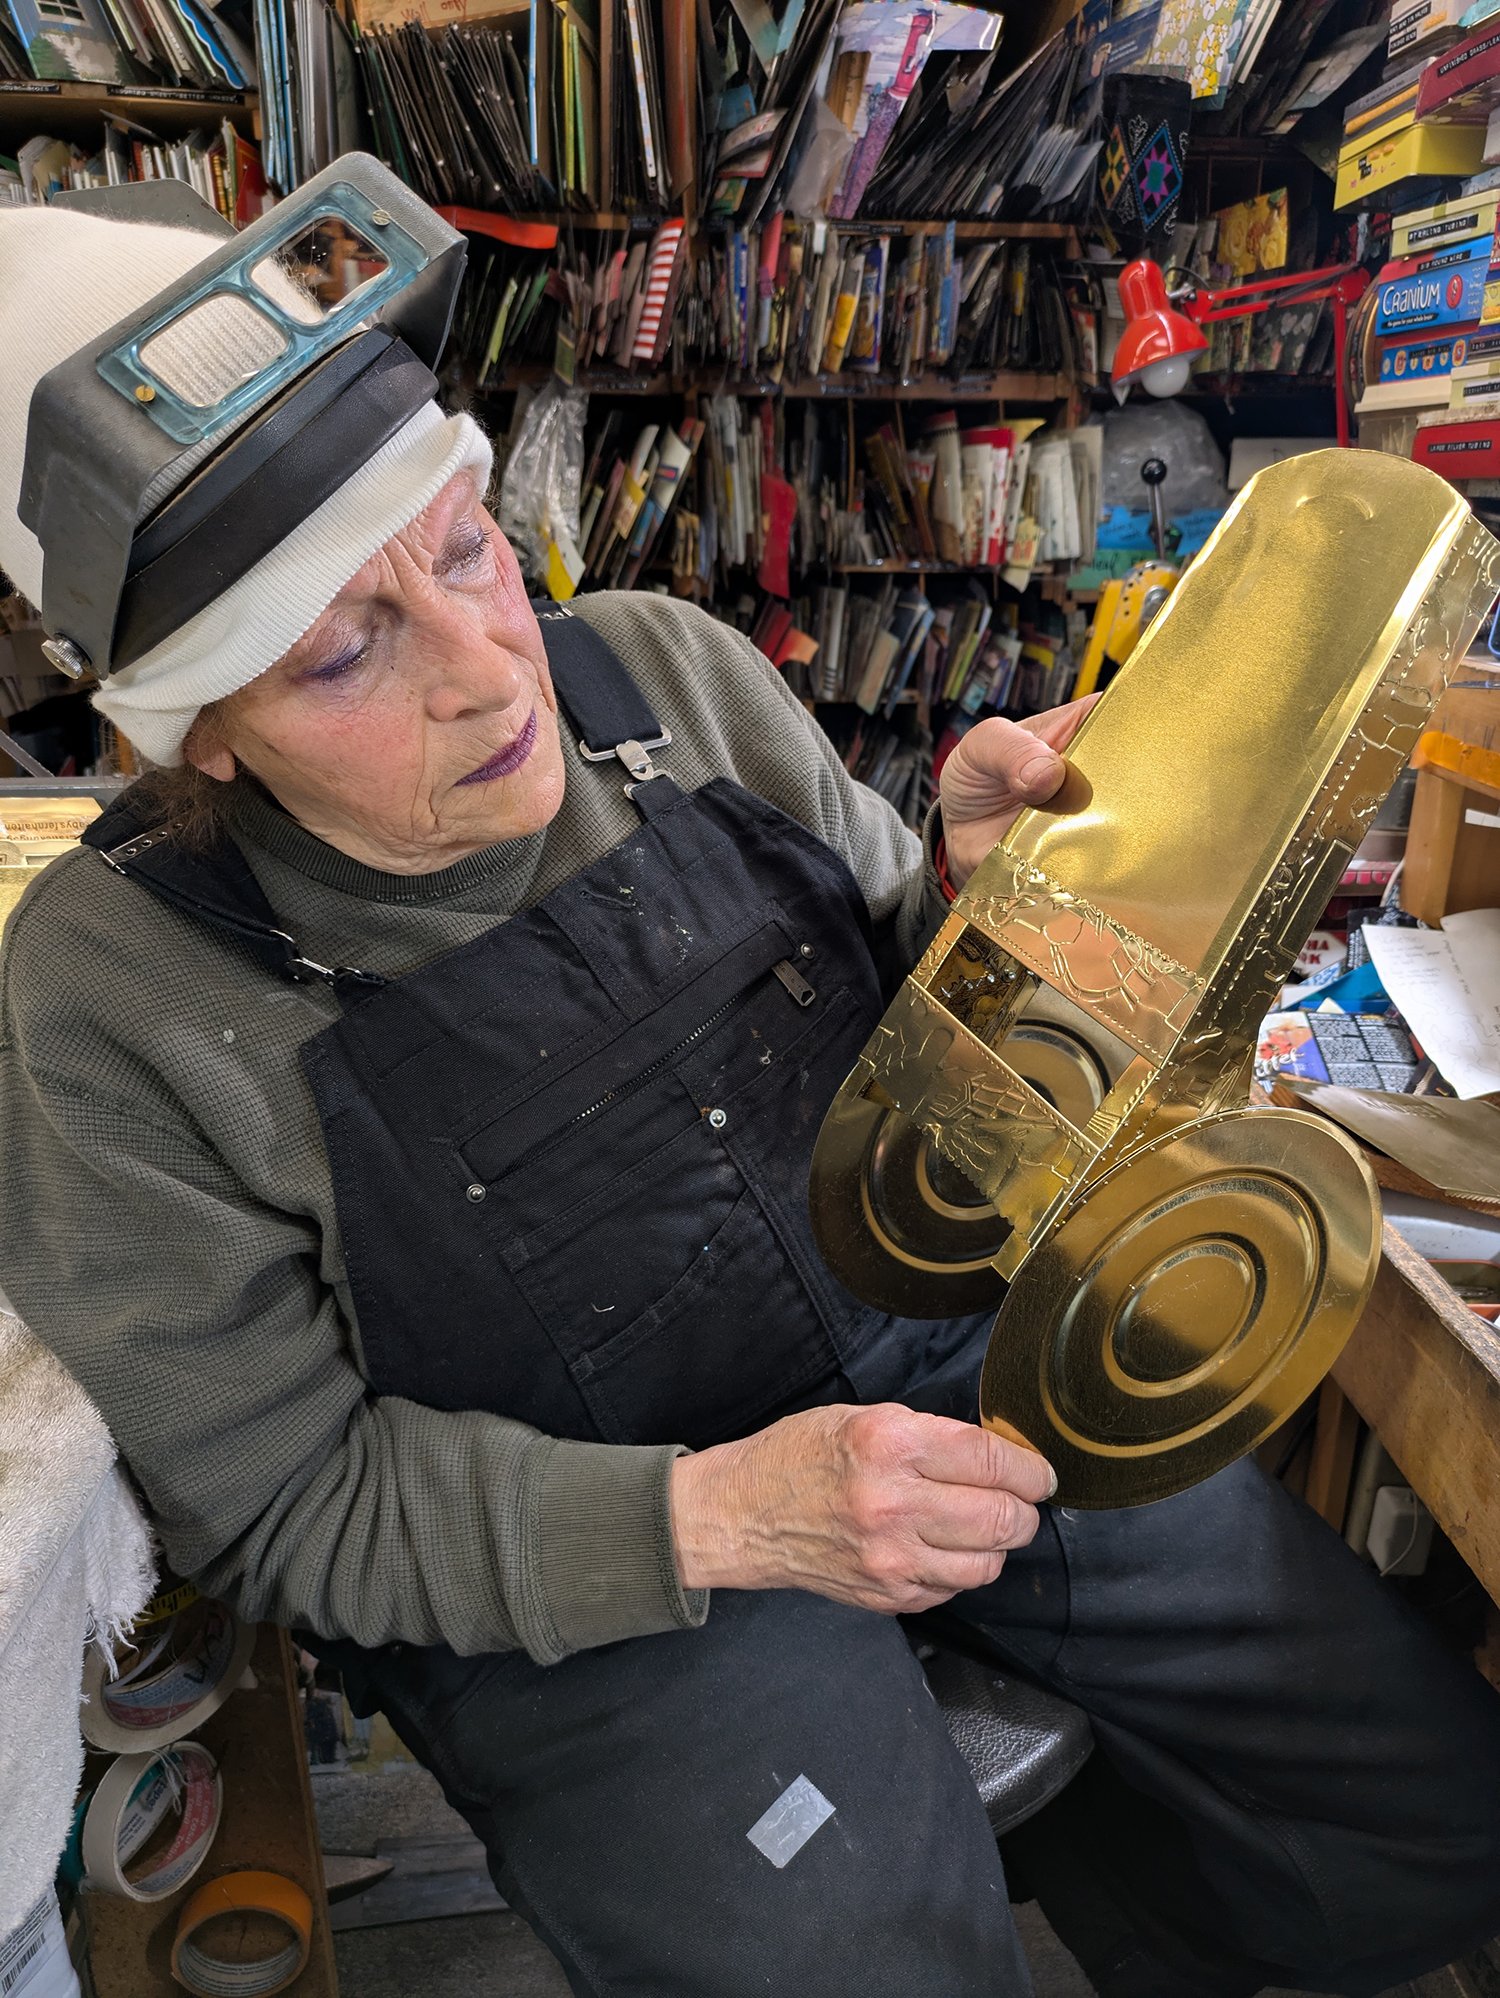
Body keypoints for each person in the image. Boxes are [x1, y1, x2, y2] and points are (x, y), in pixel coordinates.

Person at [1, 175, 1498, 1998]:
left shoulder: (671, 675)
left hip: (938, 1370)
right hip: (589, 1550)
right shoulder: (114, 999)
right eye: (340, 652)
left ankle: (1161, 1922)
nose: (494, 678)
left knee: (1417, 1791)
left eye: (468, 549)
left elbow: (929, 1075)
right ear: (200, 736)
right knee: (853, 1954)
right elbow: (290, 1500)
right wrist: (722, 1516)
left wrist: (976, 903)